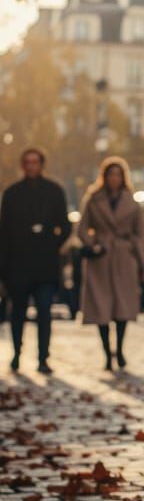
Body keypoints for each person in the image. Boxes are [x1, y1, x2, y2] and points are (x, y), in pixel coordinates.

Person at [78, 157, 144, 371]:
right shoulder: (93, 199)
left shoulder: (132, 201)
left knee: (123, 307)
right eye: (110, 174)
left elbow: (140, 236)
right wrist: (93, 244)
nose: (114, 178)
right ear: (104, 176)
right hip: (100, 259)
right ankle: (106, 353)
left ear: (123, 177)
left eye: (118, 174)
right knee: (101, 307)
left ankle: (119, 349)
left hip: (124, 258)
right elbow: (82, 229)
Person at [0, 147, 70, 374]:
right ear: (23, 165)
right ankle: (17, 353)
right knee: (17, 313)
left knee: (44, 312)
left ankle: (43, 357)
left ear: (41, 164)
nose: (31, 166)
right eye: (27, 162)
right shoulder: (11, 194)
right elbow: (4, 232)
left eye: (35, 162)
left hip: (45, 265)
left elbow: (65, 225)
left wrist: (52, 244)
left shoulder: (54, 191)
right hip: (18, 266)